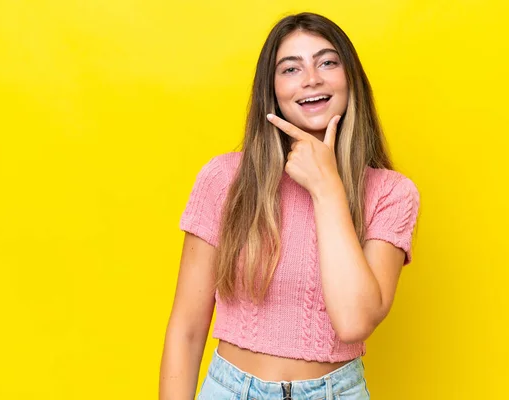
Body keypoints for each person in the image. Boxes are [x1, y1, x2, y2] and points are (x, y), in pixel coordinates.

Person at [159, 12, 420, 400]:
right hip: (230, 390)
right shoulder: (223, 178)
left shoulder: (391, 193)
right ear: (273, 90)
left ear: (351, 79)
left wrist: (326, 187)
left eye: (327, 62)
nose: (311, 78)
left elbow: (353, 322)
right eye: (290, 68)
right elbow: (187, 328)